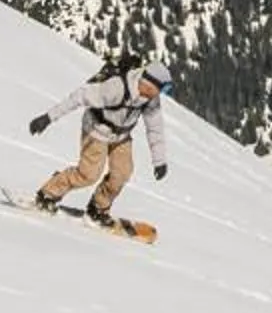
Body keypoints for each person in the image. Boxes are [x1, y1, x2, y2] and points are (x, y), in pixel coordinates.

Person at [28, 53, 173, 225]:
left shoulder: (151, 100)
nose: (162, 94)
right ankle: (47, 194)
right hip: (97, 130)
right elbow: (80, 96)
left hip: (121, 135)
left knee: (122, 173)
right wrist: (48, 117)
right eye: (163, 89)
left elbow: (155, 128)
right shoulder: (116, 88)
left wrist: (159, 161)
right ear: (150, 83)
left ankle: (98, 208)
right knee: (88, 174)